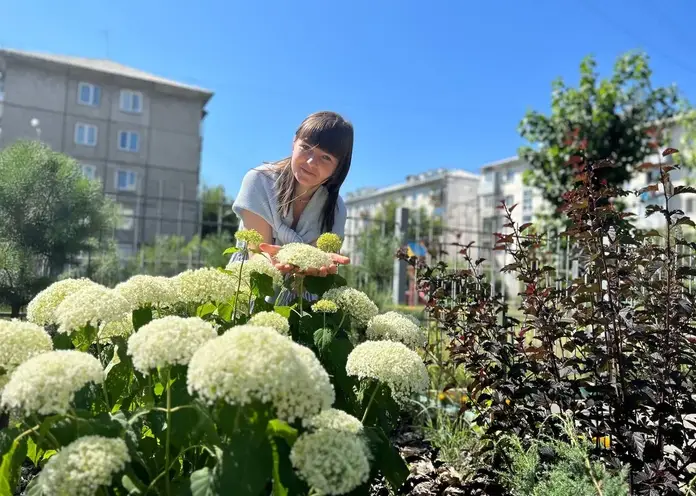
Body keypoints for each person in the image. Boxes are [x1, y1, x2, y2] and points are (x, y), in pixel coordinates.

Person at [230, 110, 353, 279]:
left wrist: (316, 264)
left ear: (339, 166)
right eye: (306, 147)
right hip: (252, 285)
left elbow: (320, 264)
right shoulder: (259, 181)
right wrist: (277, 260)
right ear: (294, 143)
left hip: (302, 295)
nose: (311, 162)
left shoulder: (336, 208)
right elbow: (257, 254)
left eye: (325, 157)